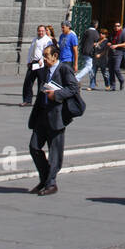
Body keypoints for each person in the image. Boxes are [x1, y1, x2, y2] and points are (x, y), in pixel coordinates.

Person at [27, 42, 81, 196]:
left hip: (57, 116)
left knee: (55, 153)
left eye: (46, 56)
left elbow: (73, 87)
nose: (44, 59)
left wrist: (56, 95)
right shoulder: (44, 70)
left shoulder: (64, 69)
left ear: (55, 56)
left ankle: (51, 184)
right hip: (42, 115)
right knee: (34, 147)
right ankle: (45, 179)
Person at [20, 25, 51, 106]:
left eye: (42, 31)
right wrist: (28, 61)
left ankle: (41, 102)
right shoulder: (35, 39)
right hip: (33, 63)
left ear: (45, 31)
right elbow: (31, 50)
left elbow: (48, 52)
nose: (40, 32)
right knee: (28, 81)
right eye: (39, 31)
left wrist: (42, 60)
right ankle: (27, 100)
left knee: (42, 83)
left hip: (42, 64)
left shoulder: (47, 40)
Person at [76, 18, 98, 85]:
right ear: (96, 25)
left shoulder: (86, 31)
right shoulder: (95, 33)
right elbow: (96, 42)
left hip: (84, 50)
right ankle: (77, 77)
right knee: (88, 66)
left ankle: (93, 82)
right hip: (90, 51)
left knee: (90, 67)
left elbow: (82, 41)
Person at [108, 22, 125, 91]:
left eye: (118, 26)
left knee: (116, 68)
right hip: (111, 52)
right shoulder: (112, 33)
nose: (116, 27)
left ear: (120, 26)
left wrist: (117, 45)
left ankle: (121, 80)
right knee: (111, 70)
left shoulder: (123, 33)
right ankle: (112, 86)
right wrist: (109, 43)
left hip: (119, 52)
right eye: (115, 26)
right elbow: (109, 41)